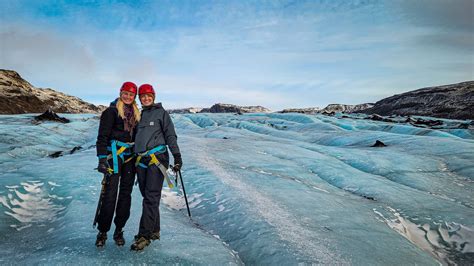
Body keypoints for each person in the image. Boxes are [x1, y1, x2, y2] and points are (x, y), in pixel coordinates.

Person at [130, 84, 183, 251]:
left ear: (153, 96)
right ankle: (155, 230)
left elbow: (170, 135)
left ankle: (144, 235)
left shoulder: (162, 113)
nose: (146, 98)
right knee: (148, 196)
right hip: (141, 161)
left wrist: (177, 156)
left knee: (151, 197)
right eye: (143, 96)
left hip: (157, 159)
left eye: (148, 96)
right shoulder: (140, 114)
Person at [95, 81, 141, 247]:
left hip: (129, 158)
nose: (128, 96)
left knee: (125, 195)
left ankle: (119, 229)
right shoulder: (111, 112)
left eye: (131, 94)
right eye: (125, 93)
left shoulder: (136, 114)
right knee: (110, 194)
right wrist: (101, 158)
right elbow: (102, 137)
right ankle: (103, 231)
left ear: (134, 96)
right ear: (121, 93)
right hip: (113, 156)